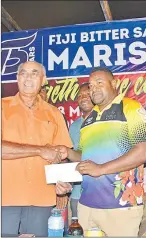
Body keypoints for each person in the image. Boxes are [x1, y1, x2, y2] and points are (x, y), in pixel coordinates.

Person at [56, 68, 146, 236]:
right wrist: (68, 153)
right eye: (91, 85)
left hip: (121, 206)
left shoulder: (131, 108)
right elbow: (85, 157)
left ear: (114, 84)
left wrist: (100, 169)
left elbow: (144, 152)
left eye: (99, 83)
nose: (93, 88)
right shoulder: (88, 120)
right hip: (86, 205)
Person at [2, 61, 73, 237]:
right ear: (17, 78)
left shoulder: (54, 113)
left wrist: (61, 183)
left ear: (43, 79)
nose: (28, 78)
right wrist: (40, 150)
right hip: (5, 197)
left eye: (34, 73)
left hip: (43, 197)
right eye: (23, 73)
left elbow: (61, 154)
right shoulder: (2, 107)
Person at [69, 82, 94, 218]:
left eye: (87, 94)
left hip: (103, 192)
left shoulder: (107, 121)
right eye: (80, 96)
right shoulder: (74, 127)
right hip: (77, 193)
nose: (83, 98)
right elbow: (68, 159)